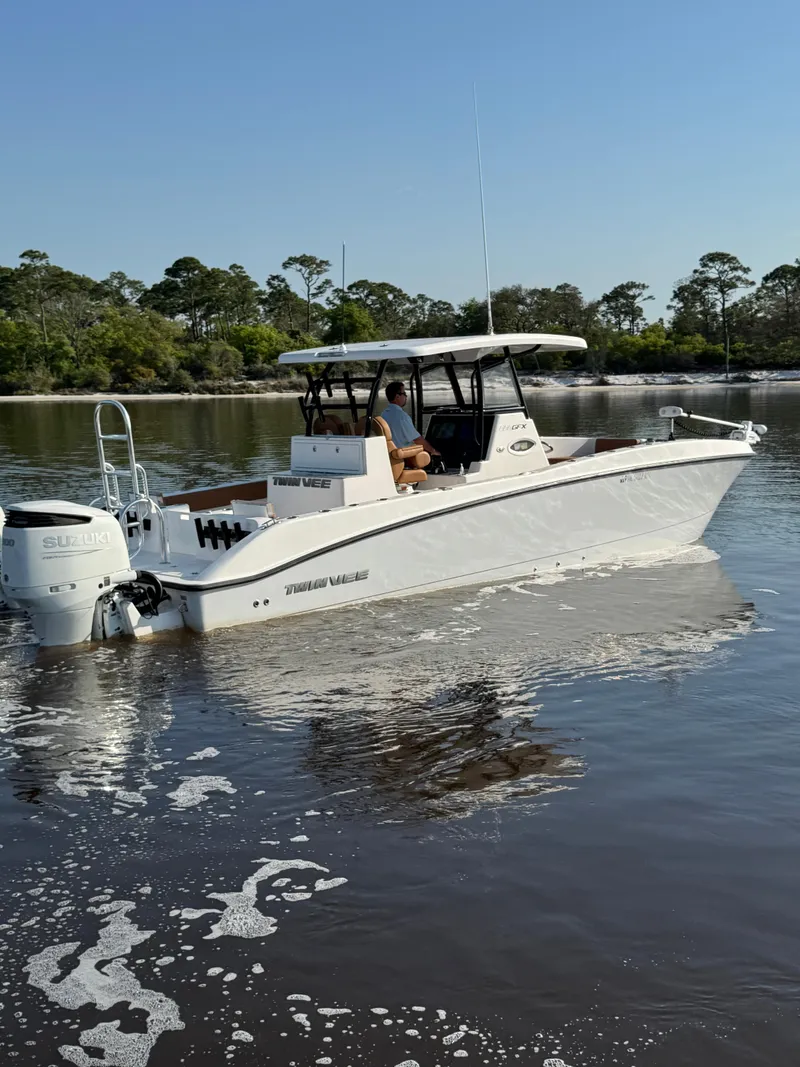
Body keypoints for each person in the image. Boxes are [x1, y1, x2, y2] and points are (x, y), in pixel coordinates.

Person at [380, 381, 440, 456]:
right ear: (397, 396)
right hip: (403, 454)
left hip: (390, 453)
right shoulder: (402, 416)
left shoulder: (384, 414)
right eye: (404, 394)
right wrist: (434, 451)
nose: (406, 396)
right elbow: (417, 439)